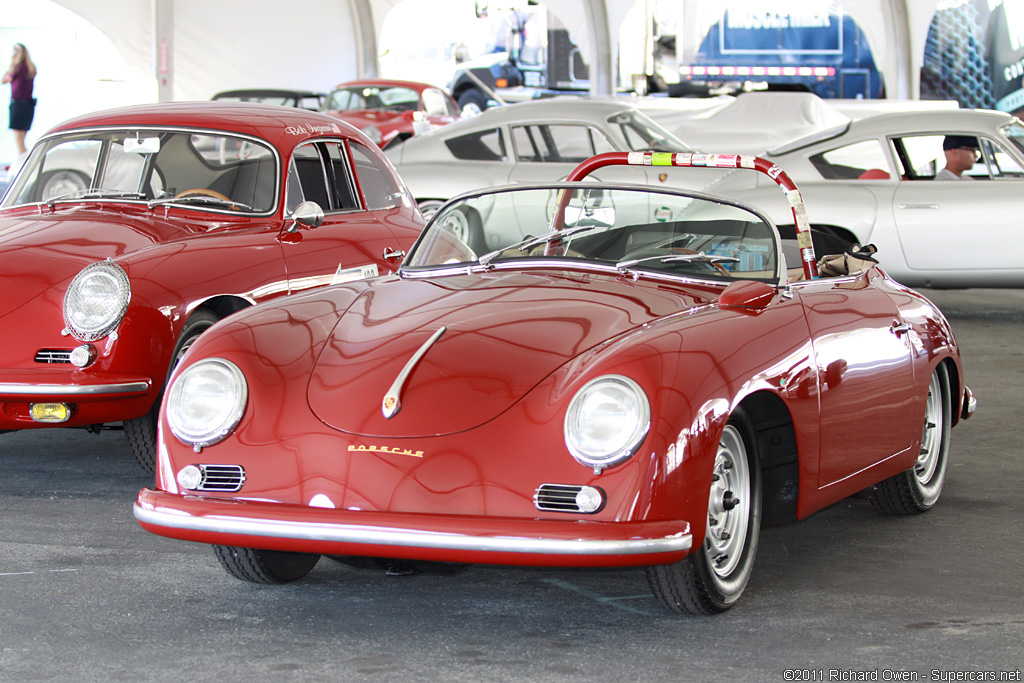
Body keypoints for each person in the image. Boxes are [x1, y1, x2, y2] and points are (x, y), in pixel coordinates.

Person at [2, 43, 37, 156]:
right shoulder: (30, 68)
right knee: (22, 140)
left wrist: (12, 63)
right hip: (29, 106)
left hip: (18, 105)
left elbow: (3, 80)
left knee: (19, 141)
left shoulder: (16, 68)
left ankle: (24, 165)